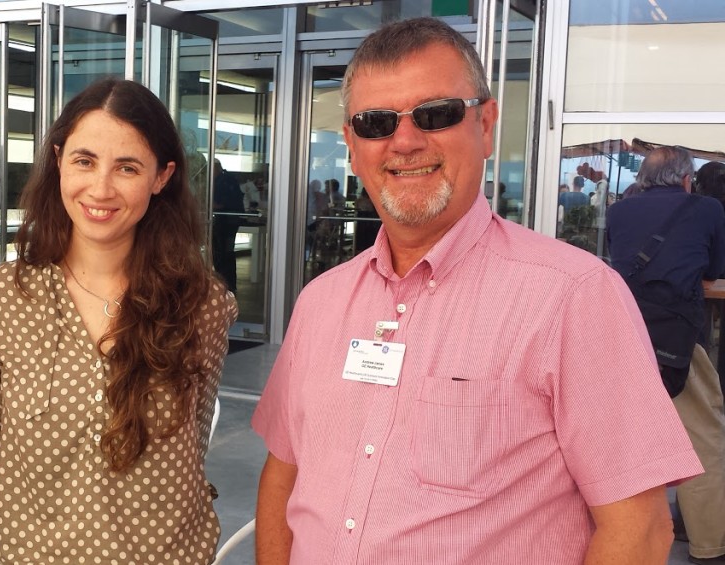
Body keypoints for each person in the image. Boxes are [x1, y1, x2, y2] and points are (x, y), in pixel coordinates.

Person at [252, 17, 701, 565]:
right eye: (375, 123)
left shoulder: (575, 297)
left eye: (436, 113)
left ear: (485, 126)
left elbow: (639, 529)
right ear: (351, 144)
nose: (405, 141)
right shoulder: (320, 301)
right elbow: (284, 475)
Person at [0, 77, 237, 564]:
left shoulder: (201, 304)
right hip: (32, 554)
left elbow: (192, 443)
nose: (101, 188)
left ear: (161, 177)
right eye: (84, 161)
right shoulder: (7, 295)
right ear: (58, 161)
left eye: (127, 167)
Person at [606, 146, 725, 565]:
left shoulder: (619, 211)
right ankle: (709, 542)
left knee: (626, 438)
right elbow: (713, 271)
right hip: (679, 339)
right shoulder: (707, 209)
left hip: (622, 335)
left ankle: (626, 533)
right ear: (686, 178)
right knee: (702, 434)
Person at [212, 159, 244, 292]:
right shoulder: (227, 179)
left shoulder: (224, 181)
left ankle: (226, 284)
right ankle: (227, 285)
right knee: (225, 253)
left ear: (216, 168)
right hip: (229, 222)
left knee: (223, 254)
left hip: (226, 223)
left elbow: (221, 204)